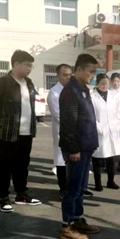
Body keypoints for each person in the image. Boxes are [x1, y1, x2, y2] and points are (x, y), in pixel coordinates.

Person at [0, 50, 41, 212]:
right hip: (8, 133)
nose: (30, 69)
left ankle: (21, 194)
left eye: (31, 66)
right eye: (27, 65)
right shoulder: (2, 84)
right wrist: (1, 126)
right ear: (16, 64)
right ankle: (3, 196)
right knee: (5, 166)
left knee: (22, 165)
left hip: (26, 132)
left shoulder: (29, 83)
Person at [58, 54, 102, 239]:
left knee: (81, 187)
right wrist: (73, 148)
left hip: (86, 146)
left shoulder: (83, 89)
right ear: (79, 69)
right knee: (73, 188)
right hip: (76, 148)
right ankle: (67, 226)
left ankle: (77, 219)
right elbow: (68, 123)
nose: (93, 75)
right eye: (91, 71)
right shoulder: (70, 91)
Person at [91, 73, 120, 191]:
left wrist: (118, 122)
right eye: (102, 84)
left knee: (112, 158)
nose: (105, 86)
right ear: (97, 84)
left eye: (107, 84)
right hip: (100, 131)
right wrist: (98, 126)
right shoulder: (92, 97)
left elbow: (119, 110)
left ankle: (111, 181)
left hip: (113, 130)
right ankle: (98, 183)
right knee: (98, 158)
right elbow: (91, 114)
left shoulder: (114, 96)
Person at [47, 63, 73, 198]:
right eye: (65, 75)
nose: (68, 77)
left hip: (75, 132)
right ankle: (63, 188)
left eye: (70, 75)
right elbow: (58, 114)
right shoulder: (54, 92)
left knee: (73, 161)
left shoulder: (73, 89)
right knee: (61, 160)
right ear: (58, 76)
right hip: (62, 130)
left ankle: (75, 187)